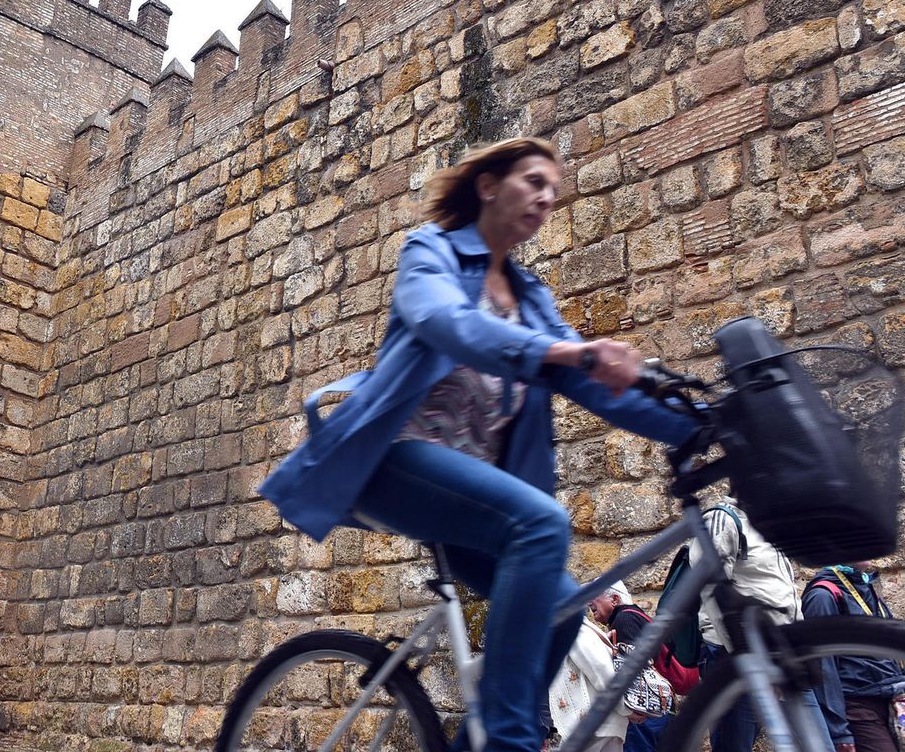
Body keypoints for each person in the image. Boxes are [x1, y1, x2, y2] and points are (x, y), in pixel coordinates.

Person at [259, 137, 697, 752]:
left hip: (469, 498)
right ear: (489, 185)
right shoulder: (430, 251)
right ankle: (509, 741)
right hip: (394, 463)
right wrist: (570, 350)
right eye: (534, 181)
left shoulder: (531, 299)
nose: (547, 198)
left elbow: (594, 386)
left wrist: (699, 424)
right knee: (543, 524)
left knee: (567, 604)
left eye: (554, 190)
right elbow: (448, 323)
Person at [688, 498, 830, 752]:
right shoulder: (724, 518)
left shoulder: (772, 527)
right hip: (736, 657)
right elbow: (712, 593)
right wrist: (749, 660)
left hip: (784, 655)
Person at [803, 562, 905, 752]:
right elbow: (822, 667)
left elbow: (901, 654)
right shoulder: (824, 595)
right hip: (857, 708)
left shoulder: (865, 589)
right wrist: (839, 731)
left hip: (892, 702)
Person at [590, 582, 672, 752]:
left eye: (594, 596)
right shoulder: (635, 616)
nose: (589, 602)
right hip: (655, 709)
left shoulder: (624, 619)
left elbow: (633, 670)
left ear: (614, 599)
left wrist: (630, 710)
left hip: (643, 710)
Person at [548, 613, 631, 752]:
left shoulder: (575, 630)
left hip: (593, 726)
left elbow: (601, 672)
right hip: (599, 725)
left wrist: (625, 708)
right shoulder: (576, 629)